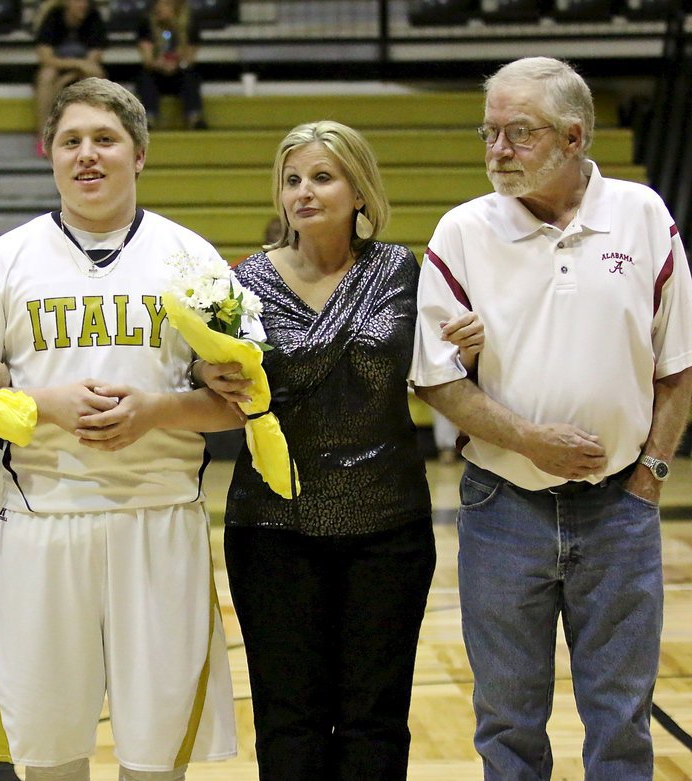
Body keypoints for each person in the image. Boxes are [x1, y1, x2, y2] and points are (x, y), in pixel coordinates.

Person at [0, 77, 239, 781]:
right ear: (49, 153)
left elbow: (237, 404)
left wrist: (155, 409)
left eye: (104, 139)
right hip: (45, 518)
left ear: (138, 154)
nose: (87, 155)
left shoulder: (193, 259)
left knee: (156, 758)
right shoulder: (2, 263)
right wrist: (43, 403)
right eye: (71, 141)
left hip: (160, 519)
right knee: (44, 755)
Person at [410, 56, 692, 779]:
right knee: (506, 720)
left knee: (622, 715)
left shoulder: (644, 215)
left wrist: (652, 474)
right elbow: (437, 380)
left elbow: (679, 366)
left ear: (574, 136)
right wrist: (532, 440)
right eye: (489, 133)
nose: (497, 151)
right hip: (502, 506)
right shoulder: (461, 232)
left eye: (518, 133)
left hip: (621, 506)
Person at [197, 120, 483, 780]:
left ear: (360, 191)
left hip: (388, 528)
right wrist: (200, 373)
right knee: (288, 716)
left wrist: (469, 345)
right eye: (291, 179)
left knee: (375, 718)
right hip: (273, 528)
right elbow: (204, 371)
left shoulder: (402, 270)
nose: (303, 191)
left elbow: (442, 363)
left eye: (321, 177)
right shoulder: (242, 282)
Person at [32, 0, 107, 156]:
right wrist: (75, 64)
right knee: (47, 75)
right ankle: (44, 136)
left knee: (96, 73)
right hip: (58, 68)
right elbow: (46, 58)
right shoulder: (53, 17)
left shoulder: (94, 18)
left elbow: (94, 59)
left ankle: (95, 134)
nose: (83, 5)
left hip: (80, 72)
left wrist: (65, 81)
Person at [135, 0, 206, 130]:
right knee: (145, 77)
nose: (159, 8)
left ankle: (194, 118)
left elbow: (190, 58)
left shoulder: (190, 23)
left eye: (165, 5)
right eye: (158, 5)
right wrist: (159, 64)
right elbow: (147, 59)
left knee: (190, 75)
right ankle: (148, 119)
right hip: (157, 71)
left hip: (179, 70)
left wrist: (178, 63)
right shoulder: (146, 23)